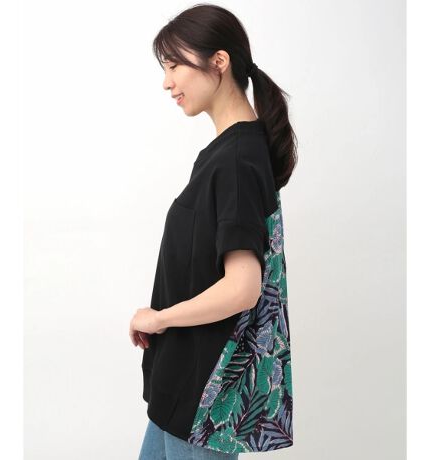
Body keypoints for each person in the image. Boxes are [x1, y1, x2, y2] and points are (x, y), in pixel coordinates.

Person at [129, 3, 298, 458]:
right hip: (181, 388)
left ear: (218, 61)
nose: (167, 82)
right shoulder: (225, 153)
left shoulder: (239, 159)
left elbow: (243, 288)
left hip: (205, 398)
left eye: (174, 65)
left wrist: (160, 318)